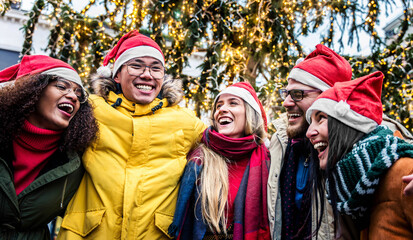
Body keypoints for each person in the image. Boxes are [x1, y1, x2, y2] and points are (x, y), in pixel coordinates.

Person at [57, 30, 206, 239]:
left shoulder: (185, 121)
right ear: (116, 74)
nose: (147, 74)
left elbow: (224, 146)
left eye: (156, 68)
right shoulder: (91, 109)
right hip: (88, 234)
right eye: (136, 65)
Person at [0, 55, 98, 239]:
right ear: (32, 90)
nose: (72, 96)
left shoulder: (75, 161)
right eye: (61, 86)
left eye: (78, 94)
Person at [306, 71, 413, 239]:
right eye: (310, 122)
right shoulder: (353, 190)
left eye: (321, 119)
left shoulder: (405, 174)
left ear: (350, 125)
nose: (309, 132)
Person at [267, 44, 353, 240]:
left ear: (327, 98)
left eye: (298, 94)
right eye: (286, 93)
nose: (286, 103)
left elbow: (396, 149)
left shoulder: (357, 138)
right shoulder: (280, 141)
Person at [168, 82, 271, 239]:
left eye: (233, 103)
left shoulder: (269, 160)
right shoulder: (199, 158)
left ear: (250, 113)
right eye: (218, 105)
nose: (222, 109)